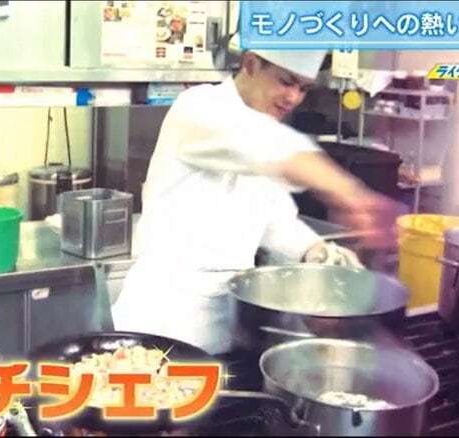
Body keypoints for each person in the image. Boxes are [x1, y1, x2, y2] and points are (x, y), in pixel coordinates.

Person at [110, 45, 401, 355]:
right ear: (250, 63)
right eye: (286, 81)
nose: (293, 98)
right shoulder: (199, 107)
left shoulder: (264, 128)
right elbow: (270, 147)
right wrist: (351, 194)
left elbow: (274, 220)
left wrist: (317, 252)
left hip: (224, 325)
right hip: (162, 319)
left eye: (304, 88)